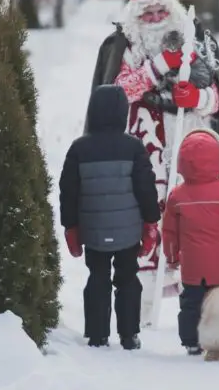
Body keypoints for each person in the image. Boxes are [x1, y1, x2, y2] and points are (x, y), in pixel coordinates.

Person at [86, 0, 219, 323]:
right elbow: (120, 90)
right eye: (146, 14)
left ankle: (199, 308)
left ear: (172, 11)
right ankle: (143, 312)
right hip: (143, 151)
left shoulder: (196, 41)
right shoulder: (123, 47)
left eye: (160, 12)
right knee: (145, 224)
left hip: (190, 148)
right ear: (134, 18)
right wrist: (159, 67)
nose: (154, 19)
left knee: (197, 225)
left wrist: (198, 96)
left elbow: (218, 99)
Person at [59, 84, 160, 349]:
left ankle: (97, 334)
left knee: (97, 278)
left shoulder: (78, 149)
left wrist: (71, 226)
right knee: (128, 279)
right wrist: (151, 221)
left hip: (93, 231)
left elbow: (68, 191)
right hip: (128, 232)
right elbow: (146, 187)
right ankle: (129, 335)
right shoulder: (134, 147)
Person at [162, 128, 219, 354]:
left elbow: (170, 232)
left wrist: (172, 257)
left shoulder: (177, 196)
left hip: (193, 268)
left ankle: (192, 341)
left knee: (192, 304)